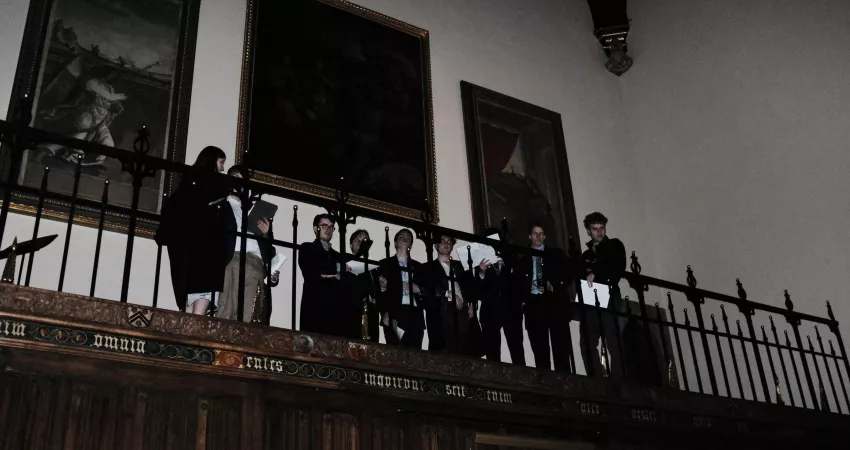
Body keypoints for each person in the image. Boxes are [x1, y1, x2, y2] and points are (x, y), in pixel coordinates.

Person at [155, 146, 229, 315]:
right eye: (221, 162)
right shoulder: (208, 184)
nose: (222, 168)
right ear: (212, 160)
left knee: (189, 305)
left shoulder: (187, 184)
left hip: (187, 250)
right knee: (200, 303)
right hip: (203, 247)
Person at [217, 165, 276, 323]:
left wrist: (266, 234)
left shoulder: (254, 209)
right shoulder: (221, 206)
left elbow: (270, 249)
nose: (238, 182)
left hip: (254, 262)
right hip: (231, 259)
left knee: (249, 315)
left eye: (241, 179)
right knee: (226, 310)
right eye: (234, 178)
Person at [517, 222, 573, 372]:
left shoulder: (556, 254)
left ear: (545, 236)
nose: (538, 237)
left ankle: (565, 383)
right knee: (540, 351)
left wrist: (553, 285)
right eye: (535, 233)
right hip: (534, 307)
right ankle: (545, 384)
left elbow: (568, 274)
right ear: (530, 236)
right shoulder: (522, 260)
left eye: (541, 233)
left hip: (554, 305)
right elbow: (518, 285)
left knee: (560, 348)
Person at [580, 212, 627, 379]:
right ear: (588, 231)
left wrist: (596, 274)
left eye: (602, 228)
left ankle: (618, 382)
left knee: (613, 340)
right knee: (587, 341)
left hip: (609, 294)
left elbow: (617, 267)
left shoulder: (614, 245)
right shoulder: (586, 255)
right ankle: (596, 380)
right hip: (591, 298)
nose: (599, 232)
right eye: (595, 229)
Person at [476, 228, 525, 365]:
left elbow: (519, 281)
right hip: (490, 310)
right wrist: (481, 272)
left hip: (511, 308)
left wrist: (508, 266)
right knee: (492, 352)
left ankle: (521, 380)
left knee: (517, 350)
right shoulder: (479, 262)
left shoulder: (510, 258)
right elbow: (476, 291)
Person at [298, 214, 351, 336]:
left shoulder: (338, 256)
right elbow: (311, 273)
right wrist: (337, 270)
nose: (328, 229)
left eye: (331, 227)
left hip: (336, 310)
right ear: (315, 228)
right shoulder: (307, 248)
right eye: (324, 226)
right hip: (315, 307)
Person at [421, 234, 473, 354]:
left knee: (463, 347)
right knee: (445, 348)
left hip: (462, 309)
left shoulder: (459, 267)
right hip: (442, 309)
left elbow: (468, 287)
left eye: (449, 241)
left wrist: (470, 304)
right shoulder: (428, 267)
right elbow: (426, 288)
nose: (446, 243)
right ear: (435, 246)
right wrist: (447, 293)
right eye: (443, 240)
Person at [376, 229, 424, 348]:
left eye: (408, 236)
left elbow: (430, 290)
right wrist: (384, 312)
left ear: (411, 245)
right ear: (395, 243)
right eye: (401, 235)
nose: (405, 237)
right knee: (395, 354)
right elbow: (378, 292)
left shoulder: (419, 267)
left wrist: (419, 289)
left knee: (415, 355)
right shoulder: (385, 264)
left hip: (415, 314)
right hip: (394, 311)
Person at [348, 229, 380, 341]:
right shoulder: (346, 264)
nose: (361, 243)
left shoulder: (374, 269)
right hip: (352, 312)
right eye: (357, 240)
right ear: (351, 244)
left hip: (372, 313)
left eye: (364, 240)